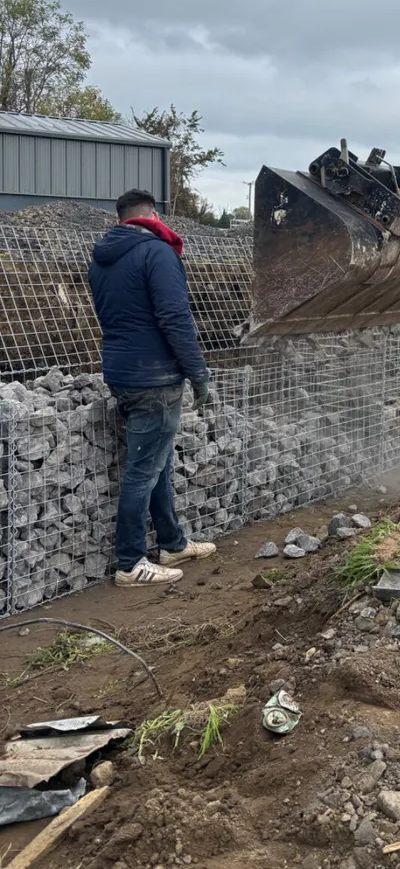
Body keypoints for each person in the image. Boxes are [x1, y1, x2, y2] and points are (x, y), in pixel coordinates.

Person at [89, 189, 217, 587]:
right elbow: (175, 318)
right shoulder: (158, 252)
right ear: (155, 216)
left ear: (119, 220)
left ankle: (172, 543)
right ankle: (130, 563)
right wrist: (197, 372)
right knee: (143, 471)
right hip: (156, 378)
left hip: (123, 372)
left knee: (154, 462)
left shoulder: (102, 258)